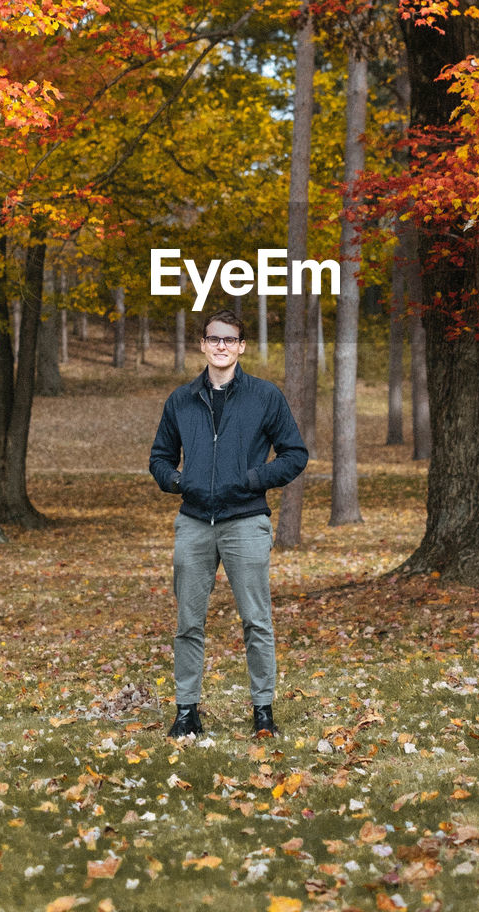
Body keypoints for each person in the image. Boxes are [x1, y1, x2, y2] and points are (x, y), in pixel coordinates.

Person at [149, 309, 308, 738]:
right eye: (213, 339)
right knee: (188, 622)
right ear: (203, 344)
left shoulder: (264, 397)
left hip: (246, 523)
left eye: (229, 339)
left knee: (256, 620)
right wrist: (180, 482)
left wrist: (254, 479)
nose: (221, 346)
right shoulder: (181, 400)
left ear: (240, 346)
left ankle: (263, 712)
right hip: (195, 523)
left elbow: (295, 454)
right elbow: (159, 458)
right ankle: (186, 712)